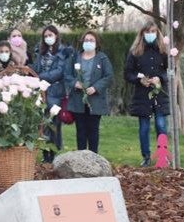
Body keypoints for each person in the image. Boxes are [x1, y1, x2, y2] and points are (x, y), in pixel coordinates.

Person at [124, 20, 170, 167]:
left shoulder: (163, 51)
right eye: (147, 32)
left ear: (157, 33)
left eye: (153, 32)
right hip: (142, 96)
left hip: (159, 95)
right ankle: (146, 156)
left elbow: (170, 71)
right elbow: (128, 73)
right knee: (144, 127)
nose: (150, 34)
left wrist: (160, 78)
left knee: (161, 125)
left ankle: (163, 156)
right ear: (142, 33)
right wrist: (139, 80)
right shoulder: (135, 52)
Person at [64, 31, 114, 153]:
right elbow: (67, 74)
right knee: (80, 129)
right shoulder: (75, 57)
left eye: (91, 40)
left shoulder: (102, 58)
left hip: (95, 100)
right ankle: (81, 157)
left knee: (93, 130)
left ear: (96, 43)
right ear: (82, 42)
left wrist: (96, 87)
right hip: (78, 99)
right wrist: (75, 83)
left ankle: (93, 157)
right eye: (86, 40)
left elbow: (108, 76)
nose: (88, 42)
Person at [32, 25, 72, 163]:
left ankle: (54, 154)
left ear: (56, 36)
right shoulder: (39, 51)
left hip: (55, 91)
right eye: (46, 36)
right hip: (41, 92)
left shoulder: (62, 52)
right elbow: (35, 67)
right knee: (42, 124)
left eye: (51, 35)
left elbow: (59, 72)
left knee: (54, 124)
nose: (48, 38)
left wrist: (40, 76)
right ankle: (45, 154)